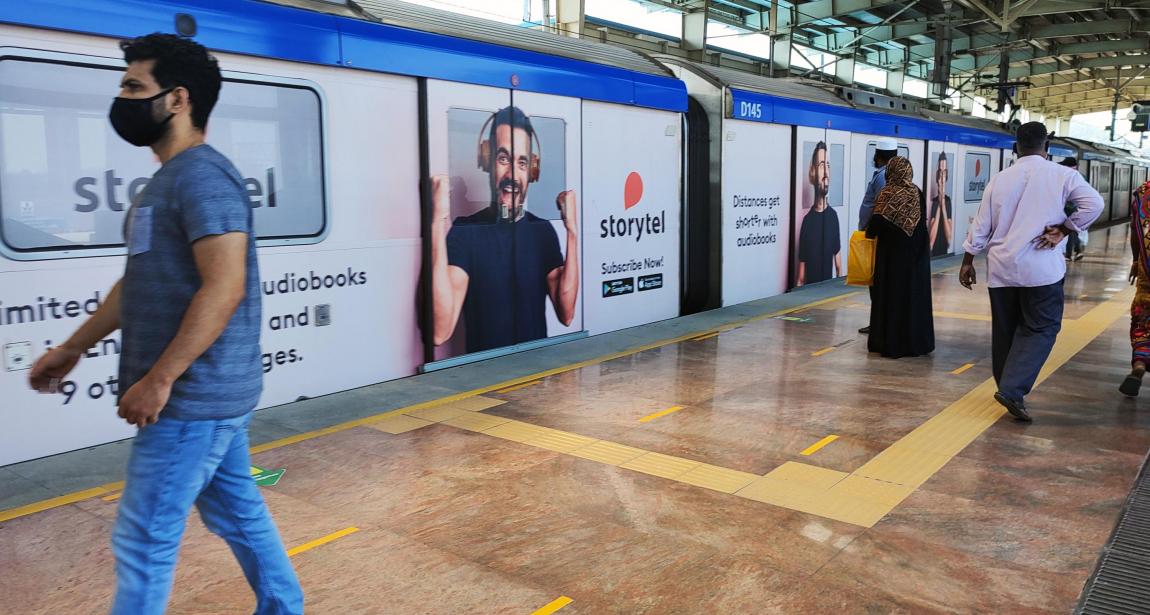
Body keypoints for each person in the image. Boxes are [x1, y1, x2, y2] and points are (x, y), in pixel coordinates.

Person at [27, 34, 302, 614]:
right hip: (204, 394)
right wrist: (73, 348)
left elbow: (224, 285)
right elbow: (137, 285)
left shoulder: (204, 178)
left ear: (177, 100)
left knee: (143, 536)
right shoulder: (165, 183)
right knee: (237, 512)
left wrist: (160, 378)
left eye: (133, 86)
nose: (121, 97)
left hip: (192, 397)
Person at [960, 122, 1104, 422]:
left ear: (1016, 147)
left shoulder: (998, 180)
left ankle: (1006, 386)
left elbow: (981, 225)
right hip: (1041, 269)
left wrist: (968, 260)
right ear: (1047, 147)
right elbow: (1094, 203)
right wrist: (1065, 229)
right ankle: (1012, 389)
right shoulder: (1063, 175)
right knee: (1041, 327)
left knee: (1005, 331)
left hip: (1002, 269)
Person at [430, 106, 579, 354]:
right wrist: (436, 221)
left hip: (537, 379)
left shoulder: (541, 232)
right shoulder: (466, 232)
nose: (512, 174)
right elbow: (440, 330)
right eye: (503, 159)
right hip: (485, 384)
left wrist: (572, 232)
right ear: (486, 161)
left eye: (521, 163)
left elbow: (567, 313)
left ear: (532, 171)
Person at [865, 156, 935, 358]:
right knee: (915, 298)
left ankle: (890, 343)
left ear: (890, 172)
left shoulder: (887, 193)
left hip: (891, 260)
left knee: (891, 299)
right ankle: (916, 343)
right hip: (917, 259)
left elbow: (875, 226)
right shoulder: (916, 192)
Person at [857, 138, 899, 335]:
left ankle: (878, 324)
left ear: (879, 156)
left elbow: (882, 207)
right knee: (877, 282)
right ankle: (879, 322)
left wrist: (871, 229)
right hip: (877, 234)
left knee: (877, 283)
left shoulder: (883, 177)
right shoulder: (887, 174)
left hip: (877, 236)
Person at [797, 141, 841, 286]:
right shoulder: (807, 222)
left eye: (828, 166)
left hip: (826, 294)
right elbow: (801, 277)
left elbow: (839, 268)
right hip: (811, 295)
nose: (826, 173)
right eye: (822, 165)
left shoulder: (833, 217)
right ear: (812, 173)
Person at [1122, 179, 1150, 396]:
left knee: (1143, 319)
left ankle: (1139, 364)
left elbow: (1135, 230)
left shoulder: (1144, 192)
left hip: (1146, 270)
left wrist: (1135, 260)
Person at [1059, 157, 1086, 262]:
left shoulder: (1070, 177)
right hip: (1077, 208)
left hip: (1069, 208)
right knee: (1072, 230)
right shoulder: (1081, 176)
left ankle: (1069, 253)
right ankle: (1077, 250)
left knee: (1069, 230)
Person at [928, 152, 953, 257]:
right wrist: (939, 204)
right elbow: (931, 242)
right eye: (940, 172)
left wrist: (943, 203)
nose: (942, 178)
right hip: (933, 255)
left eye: (944, 172)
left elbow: (949, 238)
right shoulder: (933, 202)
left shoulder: (948, 201)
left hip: (944, 254)